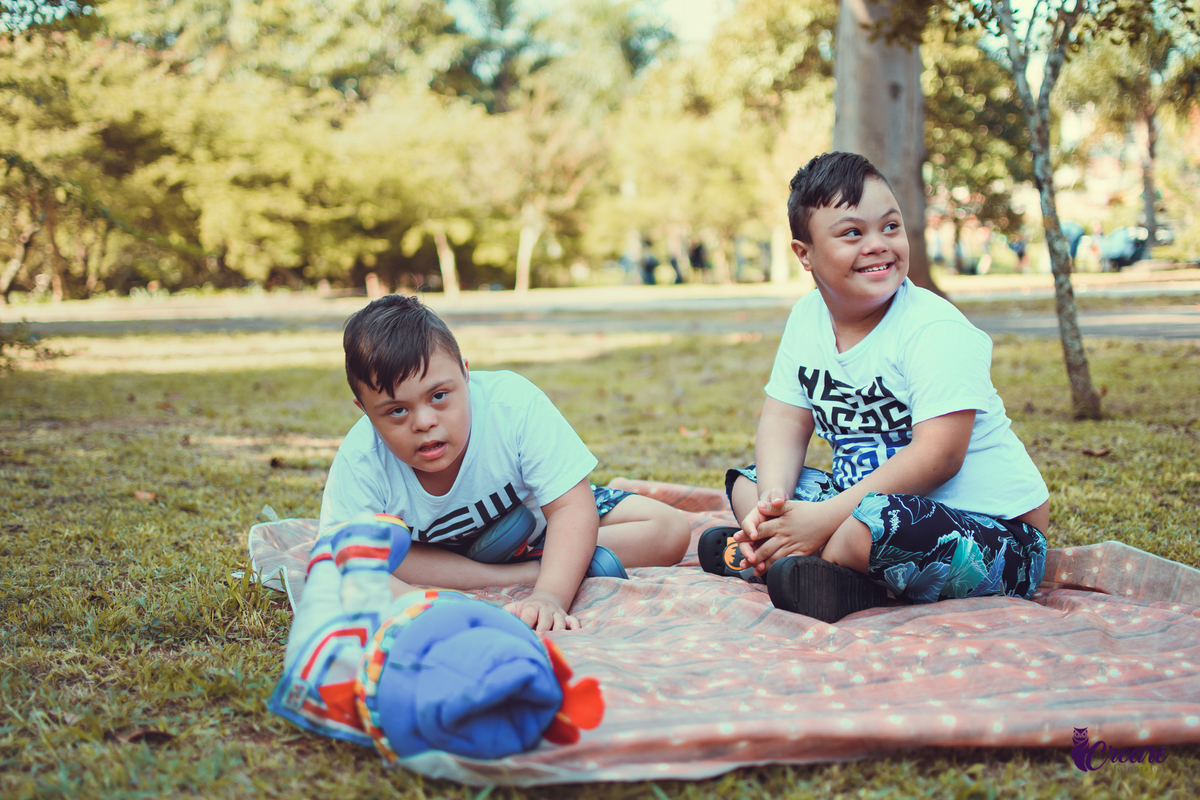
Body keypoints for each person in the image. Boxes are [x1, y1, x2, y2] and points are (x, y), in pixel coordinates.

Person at [699, 152, 1049, 623]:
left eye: (890, 227)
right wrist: (774, 503)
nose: (878, 245)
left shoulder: (932, 328)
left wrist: (822, 520)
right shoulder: (807, 320)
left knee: (868, 529)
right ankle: (794, 555)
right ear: (804, 254)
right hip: (863, 504)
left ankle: (790, 561)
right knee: (750, 482)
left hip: (992, 534)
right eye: (851, 233)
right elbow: (784, 418)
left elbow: (939, 456)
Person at [320, 295, 691, 632]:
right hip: (438, 557)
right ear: (365, 412)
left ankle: (552, 563)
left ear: (466, 374)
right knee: (374, 555)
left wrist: (550, 596)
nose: (423, 421)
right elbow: (345, 560)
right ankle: (519, 571)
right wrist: (413, 605)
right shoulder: (361, 459)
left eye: (438, 396)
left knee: (669, 528)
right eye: (397, 410)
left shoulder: (512, 406)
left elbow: (570, 506)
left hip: (539, 531)